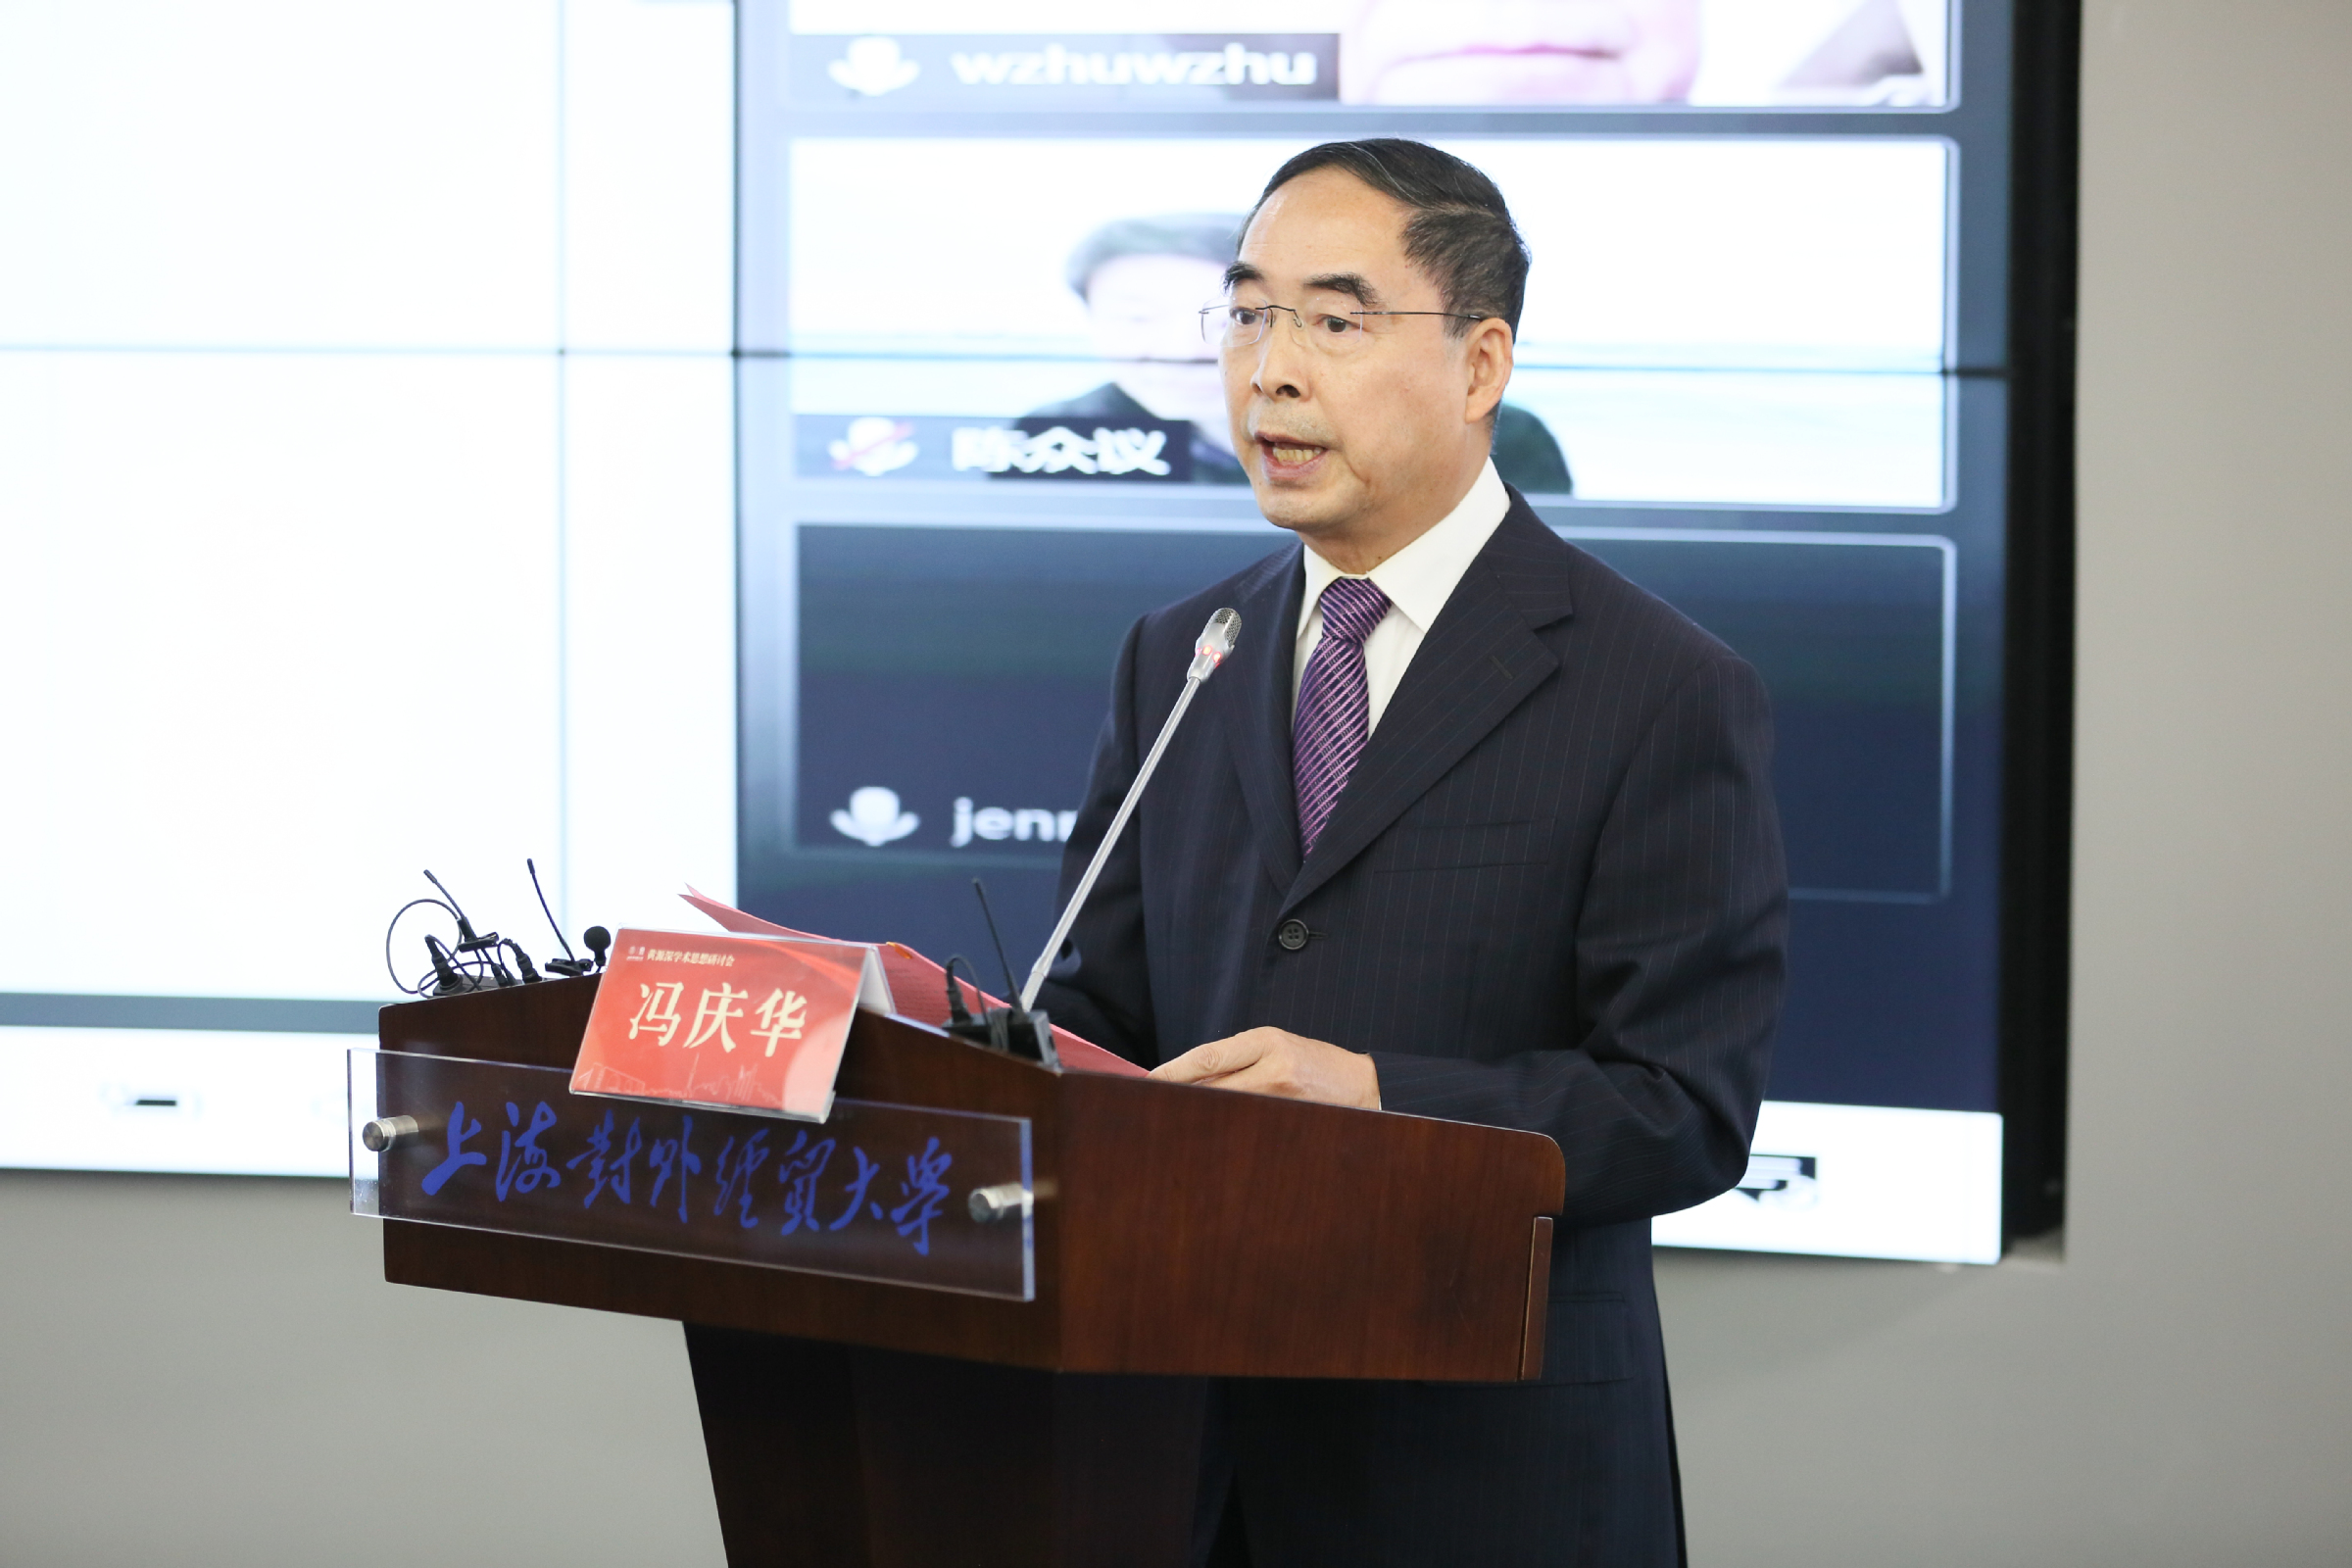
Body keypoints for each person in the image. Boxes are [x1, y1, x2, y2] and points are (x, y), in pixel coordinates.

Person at [1037, 139, 1786, 1565]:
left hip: (1485, 1470)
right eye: (1245, 315)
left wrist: (1376, 1097)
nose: (1268, 372)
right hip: (1180, 1455)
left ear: (1481, 362)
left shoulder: (1659, 686)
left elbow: (1680, 1106)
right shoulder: (1184, 652)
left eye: (1334, 320)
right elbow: (1099, 1015)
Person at [1028, 213, 1572, 494]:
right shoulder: (1057, 436)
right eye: (1134, 318)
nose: (1180, 349)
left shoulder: (1488, 436)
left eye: (1232, 317)